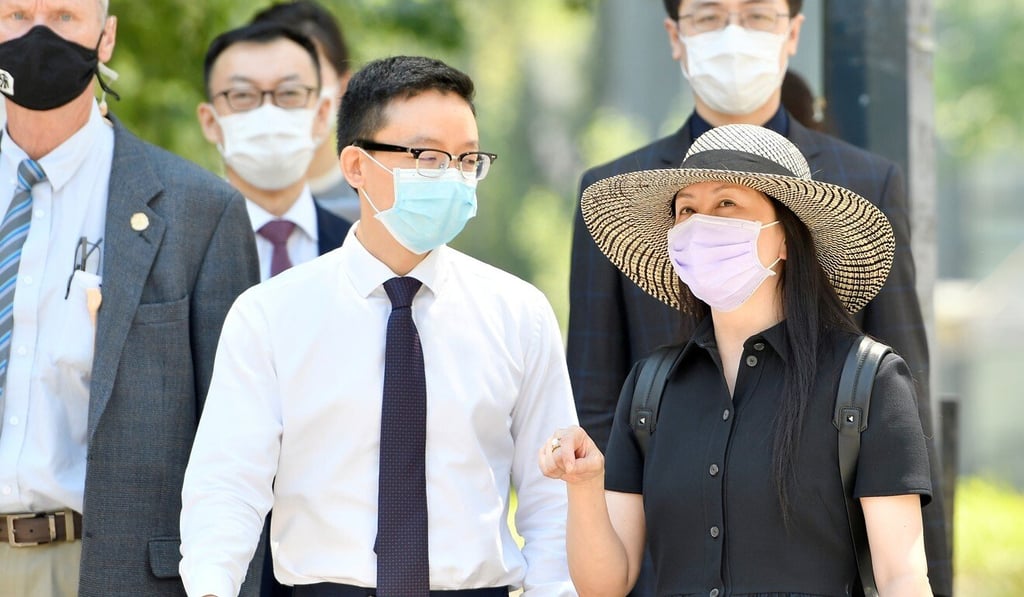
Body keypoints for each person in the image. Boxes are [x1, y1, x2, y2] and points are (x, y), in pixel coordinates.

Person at [566, 1, 951, 593]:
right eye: (687, 209)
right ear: (674, 33)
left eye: (756, 15)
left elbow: (905, 422)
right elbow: (594, 391)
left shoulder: (868, 182)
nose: (733, 36)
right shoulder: (650, 385)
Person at [179, 55, 577, 597]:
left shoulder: (519, 314)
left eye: (467, 159)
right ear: (356, 166)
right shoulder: (271, 315)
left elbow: (551, 500)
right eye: (428, 156)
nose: (454, 177)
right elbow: (227, 489)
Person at [0, 1, 261, 596]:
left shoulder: (200, 212)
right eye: (16, 13)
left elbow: (239, 448)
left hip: (107, 572)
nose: (37, 34)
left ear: (106, 37)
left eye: (64, 16)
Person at [197, 22, 349, 282]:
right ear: (210, 122)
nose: (269, 113)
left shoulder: (359, 248)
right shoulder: (180, 249)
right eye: (243, 95)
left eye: (289, 93)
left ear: (323, 114)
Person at [251, 0, 358, 223]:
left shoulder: (376, 208)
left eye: (302, 75)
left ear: (343, 87)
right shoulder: (218, 208)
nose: (285, 93)